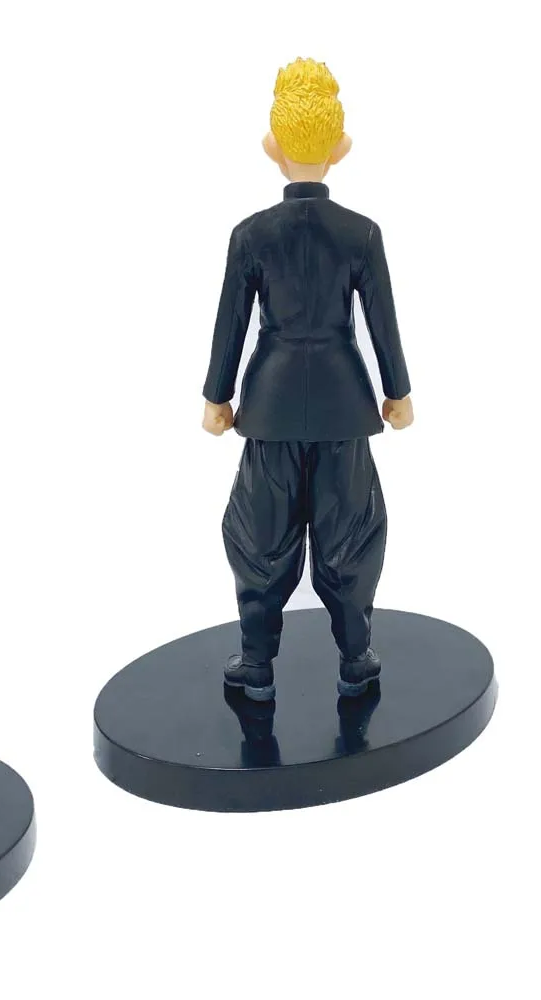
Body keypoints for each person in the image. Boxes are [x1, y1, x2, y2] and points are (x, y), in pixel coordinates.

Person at [202, 58, 413, 701]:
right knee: (350, 535)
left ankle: (257, 662)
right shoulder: (361, 233)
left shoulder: (250, 235)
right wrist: (398, 393)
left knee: (261, 537)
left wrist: (217, 398)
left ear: (272, 145)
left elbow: (231, 324)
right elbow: (382, 322)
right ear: (340, 147)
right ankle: (356, 657)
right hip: (344, 407)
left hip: (269, 407)